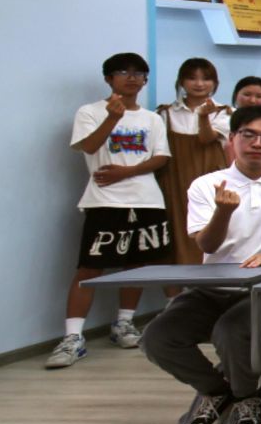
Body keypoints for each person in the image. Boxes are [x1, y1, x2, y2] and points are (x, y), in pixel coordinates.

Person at [140, 104, 261, 424]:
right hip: (213, 288)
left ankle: (246, 397)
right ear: (232, 138)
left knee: (230, 330)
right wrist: (223, 212)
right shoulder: (207, 185)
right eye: (248, 135)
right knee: (157, 337)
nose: (257, 143)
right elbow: (207, 244)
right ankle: (217, 391)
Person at [54, 53, 173, 367]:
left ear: (145, 80)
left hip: (147, 200)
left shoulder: (152, 119)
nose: (131, 78)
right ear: (109, 78)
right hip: (103, 200)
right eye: (123, 72)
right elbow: (88, 146)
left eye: (139, 73)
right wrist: (111, 118)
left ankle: (124, 323)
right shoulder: (90, 111)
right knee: (89, 268)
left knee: (136, 266)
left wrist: (126, 171)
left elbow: (161, 157)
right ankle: (72, 337)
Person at [156, 57, 231, 268]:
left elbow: (206, 139)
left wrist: (204, 117)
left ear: (215, 83)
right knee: (175, 230)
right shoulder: (165, 113)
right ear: (181, 82)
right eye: (192, 78)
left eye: (206, 78)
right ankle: (175, 288)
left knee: (209, 225)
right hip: (174, 178)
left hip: (210, 175)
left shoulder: (225, 112)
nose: (199, 84)